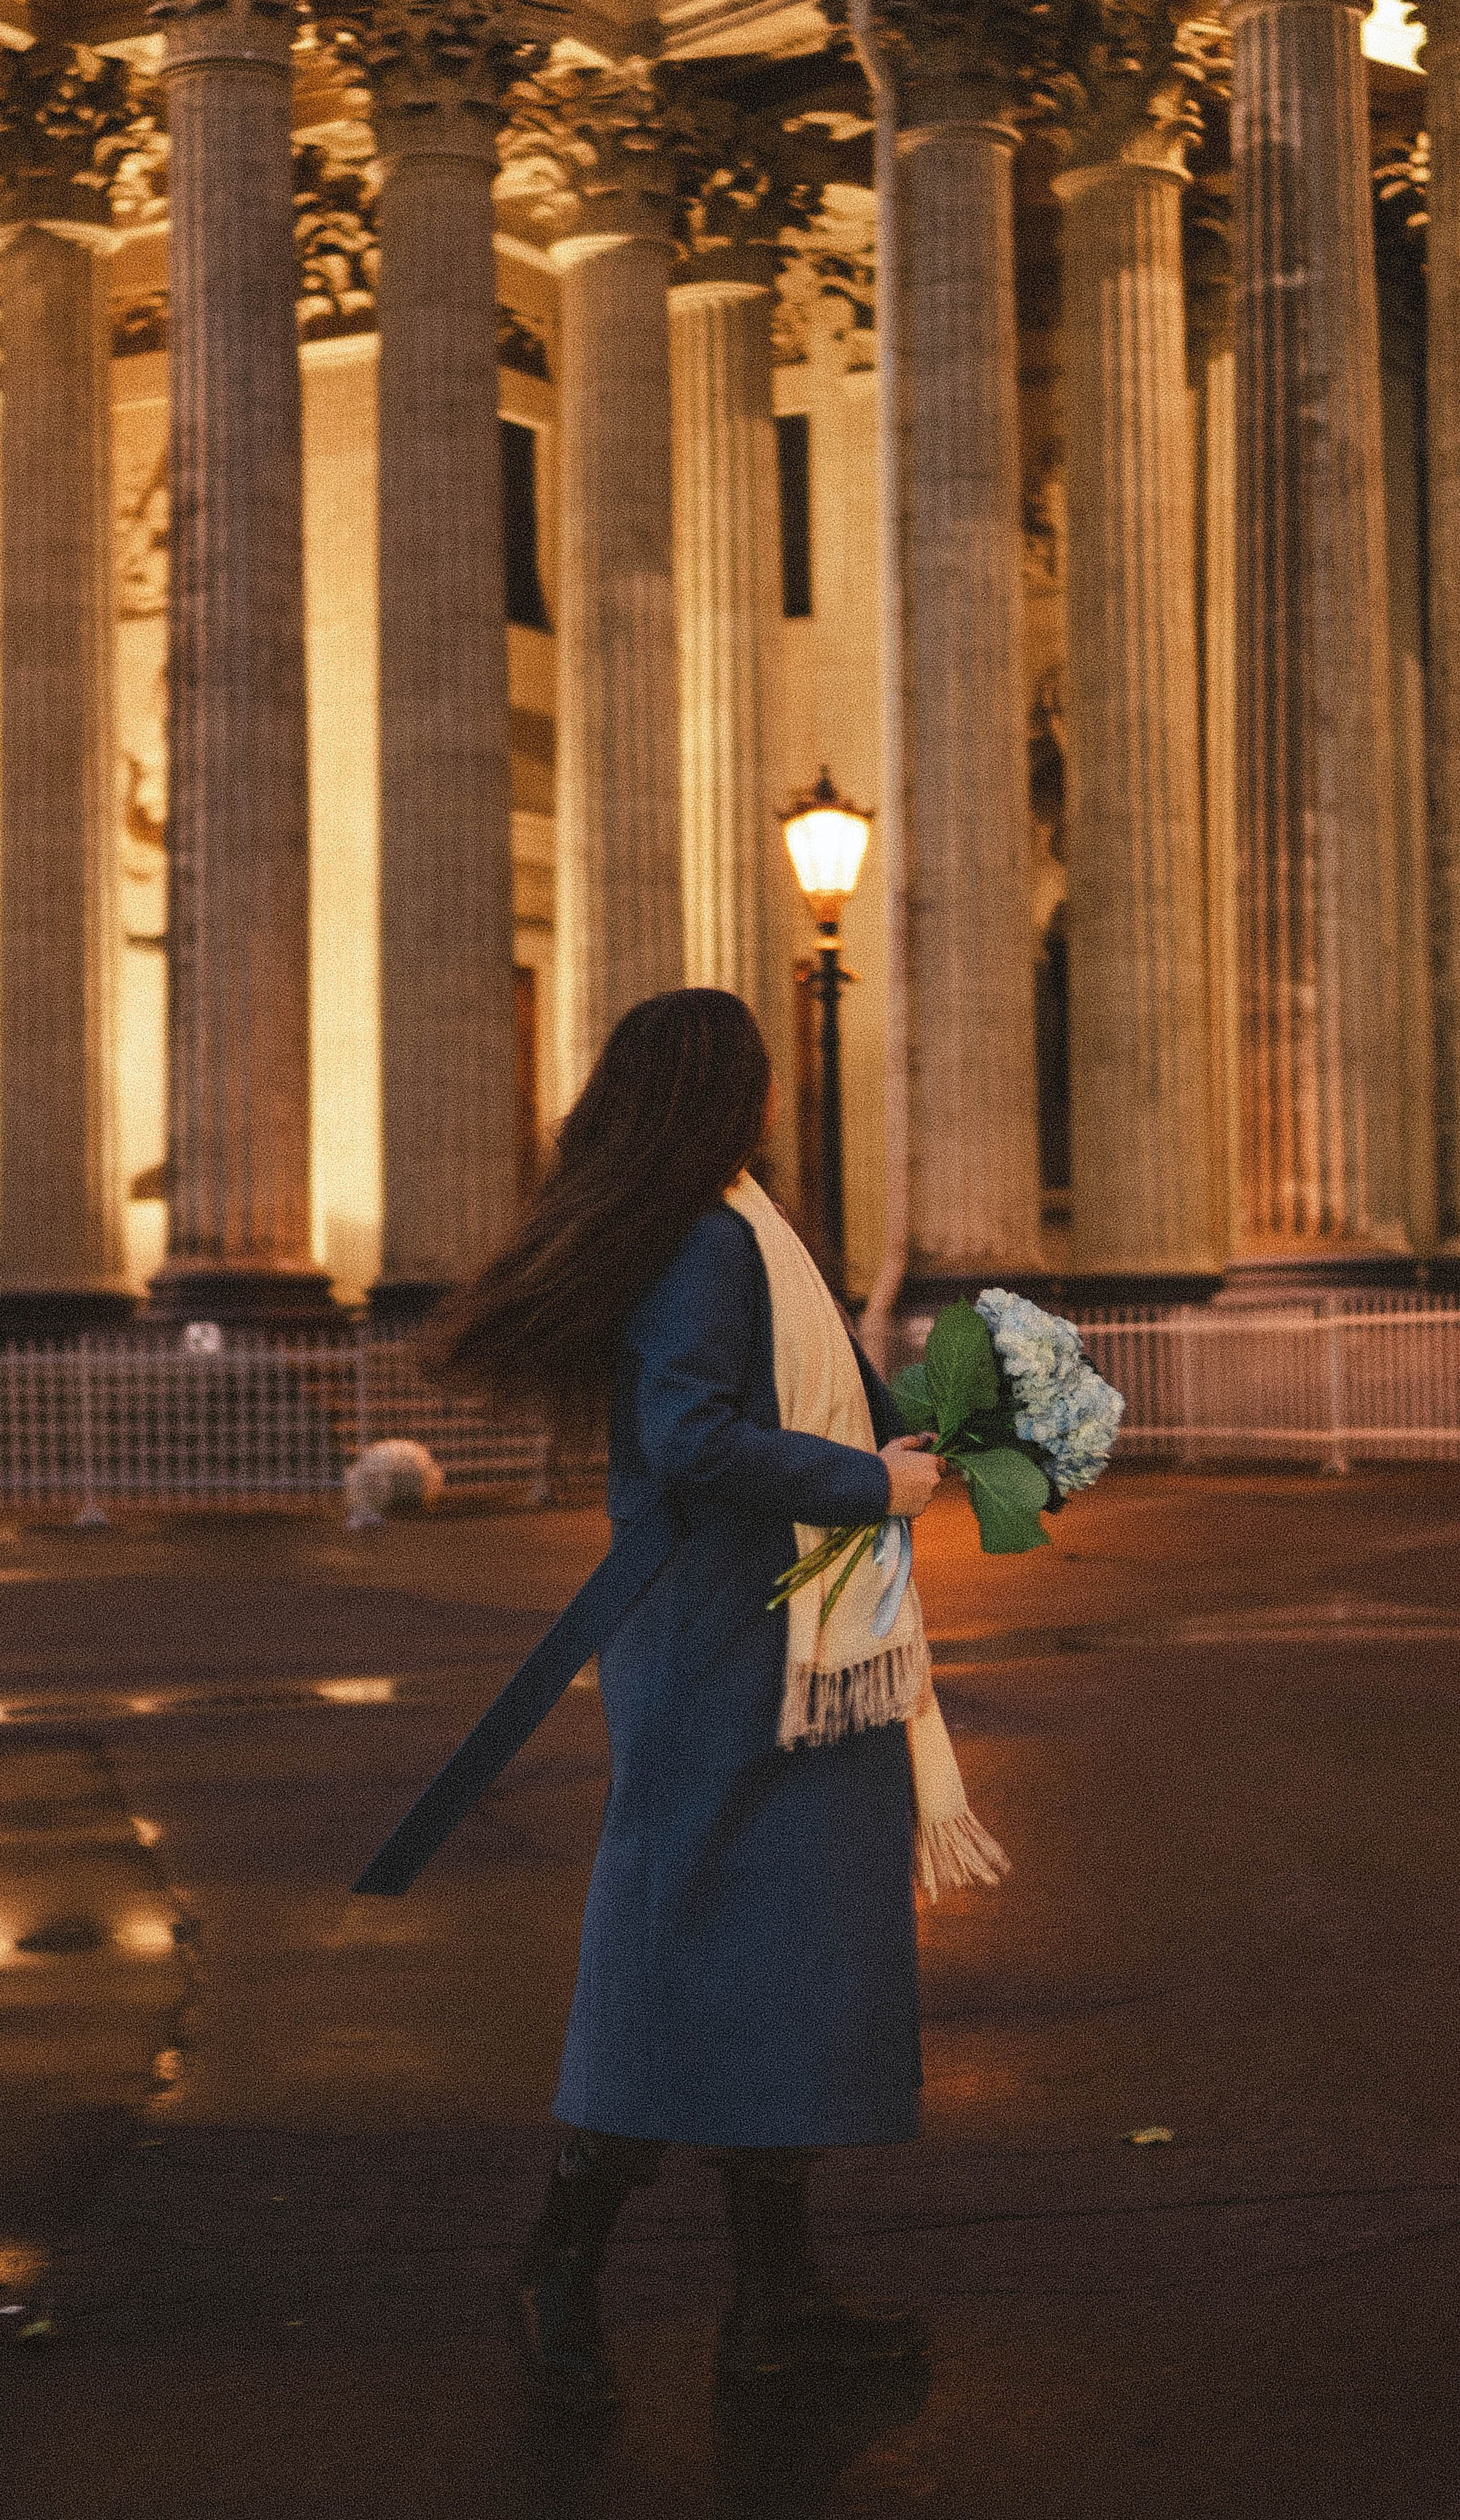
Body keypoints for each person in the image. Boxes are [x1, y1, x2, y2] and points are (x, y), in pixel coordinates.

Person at [427, 986, 1005, 2414]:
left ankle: (776, 2302)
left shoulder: (738, 1225)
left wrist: (900, 1437)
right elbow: (691, 1439)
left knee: (786, 1958)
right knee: (678, 1940)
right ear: (722, 1095)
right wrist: (865, 1481)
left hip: (795, 1630)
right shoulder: (704, 1237)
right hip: (729, 1641)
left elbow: (807, 1397)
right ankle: (559, 2261)